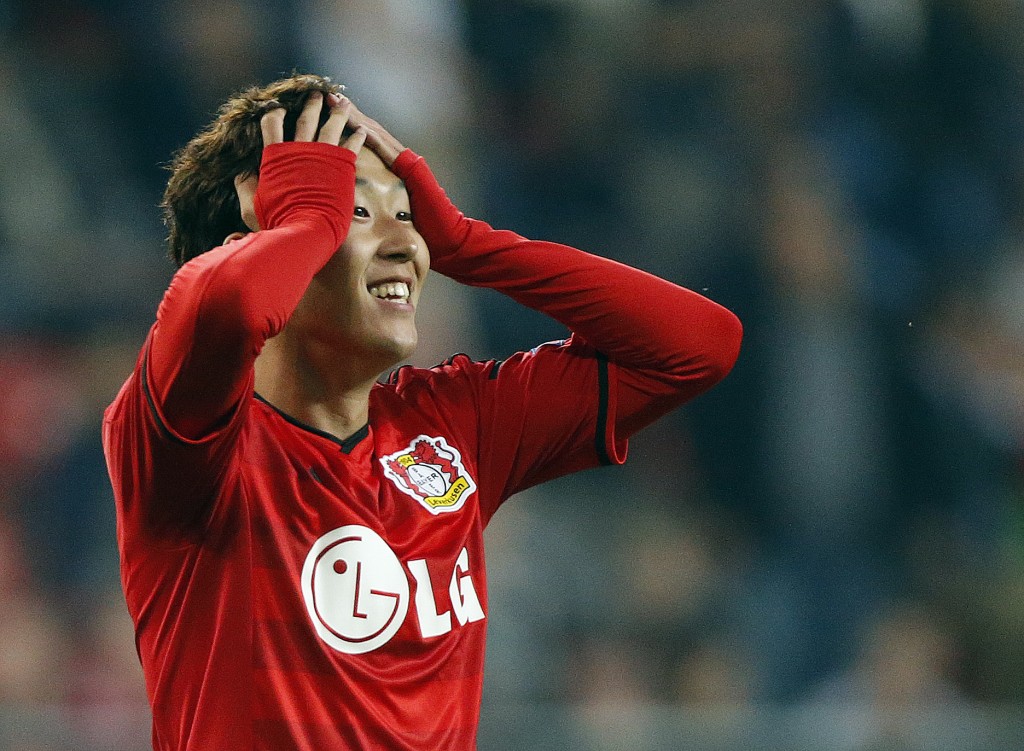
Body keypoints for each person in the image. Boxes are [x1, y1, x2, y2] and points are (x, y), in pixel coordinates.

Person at [102, 73, 743, 750]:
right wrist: (305, 224)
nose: (406, 244)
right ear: (253, 236)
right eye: (352, 211)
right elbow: (223, 307)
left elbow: (698, 347)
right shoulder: (185, 443)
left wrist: (471, 245)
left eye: (406, 213)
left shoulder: (451, 426)